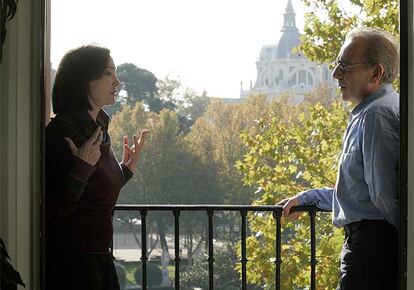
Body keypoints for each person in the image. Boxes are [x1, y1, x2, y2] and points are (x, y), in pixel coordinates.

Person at [278, 27, 399, 290]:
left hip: (371, 253)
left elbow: (384, 195)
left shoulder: (375, 116)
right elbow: (362, 194)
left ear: (375, 73)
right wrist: (310, 198)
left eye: (344, 66)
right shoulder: (371, 112)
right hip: (371, 250)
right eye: (336, 65)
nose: (335, 74)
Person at [45, 45, 148, 290]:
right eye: (108, 73)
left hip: (99, 262)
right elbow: (49, 212)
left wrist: (125, 171)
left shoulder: (99, 129)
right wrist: (80, 169)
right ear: (85, 80)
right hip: (72, 268)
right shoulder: (61, 133)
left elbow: (93, 195)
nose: (118, 81)